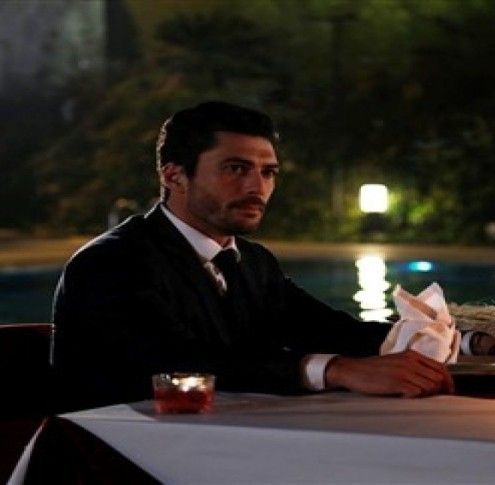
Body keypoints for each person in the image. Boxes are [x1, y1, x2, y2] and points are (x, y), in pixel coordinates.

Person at [52, 101, 454, 410]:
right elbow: (177, 362)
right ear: (174, 176)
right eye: (235, 168)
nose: (256, 187)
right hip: (117, 453)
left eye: (268, 172)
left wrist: (469, 343)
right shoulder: (110, 263)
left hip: (223, 438)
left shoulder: (253, 261)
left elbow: (329, 329)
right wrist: (336, 370)